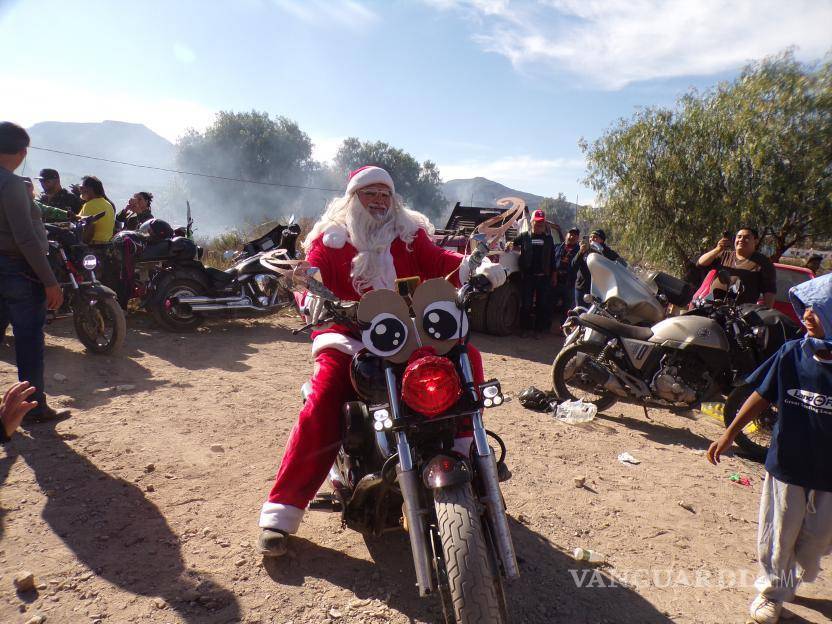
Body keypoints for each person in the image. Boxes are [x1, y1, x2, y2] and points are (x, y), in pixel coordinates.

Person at [257, 165, 507, 557]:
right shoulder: (331, 238)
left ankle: (464, 453)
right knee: (325, 397)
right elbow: (311, 274)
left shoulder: (408, 234)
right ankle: (282, 511)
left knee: (466, 359)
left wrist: (476, 267)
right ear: (353, 198)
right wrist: (308, 292)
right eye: (369, 193)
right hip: (350, 335)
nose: (378, 200)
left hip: (408, 331)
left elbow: (440, 260)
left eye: (384, 193)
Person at [707, 273, 832, 624]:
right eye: (805, 308)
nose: (806, 316)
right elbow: (761, 395)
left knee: (816, 540)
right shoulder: (792, 353)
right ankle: (772, 593)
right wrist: (730, 434)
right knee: (779, 533)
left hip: (828, 473)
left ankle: (792, 574)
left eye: (817, 309)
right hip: (788, 464)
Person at [0, 122, 66, 422]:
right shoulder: (11, 184)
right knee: (28, 340)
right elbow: (25, 238)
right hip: (17, 271)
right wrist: (50, 281)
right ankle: (33, 408)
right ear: (22, 152)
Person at [696, 227, 776, 307]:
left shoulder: (764, 262)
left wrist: (766, 310)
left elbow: (769, 291)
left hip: (739, 311)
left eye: (746, 237)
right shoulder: (724, 255)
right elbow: (700, 263)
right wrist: (717, 249)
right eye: (739, 237)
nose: (741, 239)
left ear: (756, 241)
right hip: (712, 306)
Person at [514, 209, 557, 336]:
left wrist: (554, 275)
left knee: (541, 304)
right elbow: (513, 243)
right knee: (526, 304)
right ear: (532, 222)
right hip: (528, 277)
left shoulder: (549, 239)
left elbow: (552, 258)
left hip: (544, 278)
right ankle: (525, 329)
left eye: (542, 222)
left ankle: (538, 330)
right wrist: (509, 246)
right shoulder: (524, 236)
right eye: (537, 222)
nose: (539, 225)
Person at [572, 229, 624, 305]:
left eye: (595, 237)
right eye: (590, 237)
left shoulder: (607, 251)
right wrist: (581, 252)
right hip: (582, 287)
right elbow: (573, 264)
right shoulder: (584, 248)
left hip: (598, 290)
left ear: (602, 240)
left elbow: (621, 263)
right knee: (580, 309)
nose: (592, 239)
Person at [77, 175, 116, 244]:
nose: (80, 191)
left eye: (81, 188)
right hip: (106, 246)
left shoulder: (90, 205)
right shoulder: (109, 205)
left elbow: (88, 233)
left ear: (90, 189)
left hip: (93, 246)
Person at [551, 227, 580, 315]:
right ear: (566, 235)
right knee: (550, 305)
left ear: (578, 238)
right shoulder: (556, 247)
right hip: (555, 281)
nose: (572, 237)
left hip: (570, 284)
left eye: (575, 235)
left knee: (567, 309)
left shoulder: (580, 251)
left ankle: (565, 323)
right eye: (571, 234)